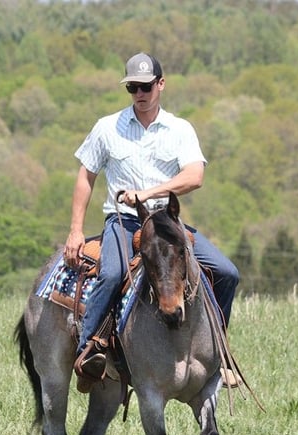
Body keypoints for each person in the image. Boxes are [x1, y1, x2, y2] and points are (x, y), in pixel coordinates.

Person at [63, 52, 240, 387]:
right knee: (113, 273)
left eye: (146, 86)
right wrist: (75, 230)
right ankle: (89, 351)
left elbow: (194, 176)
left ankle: (219, 353)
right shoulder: (107, 127)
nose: (140, 94)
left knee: (227, 272)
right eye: (133, 88)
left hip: (166, 224)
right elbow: (85, 176)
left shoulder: (179, 129)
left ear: (161, 84)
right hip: (124, 222)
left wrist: (148, 193)